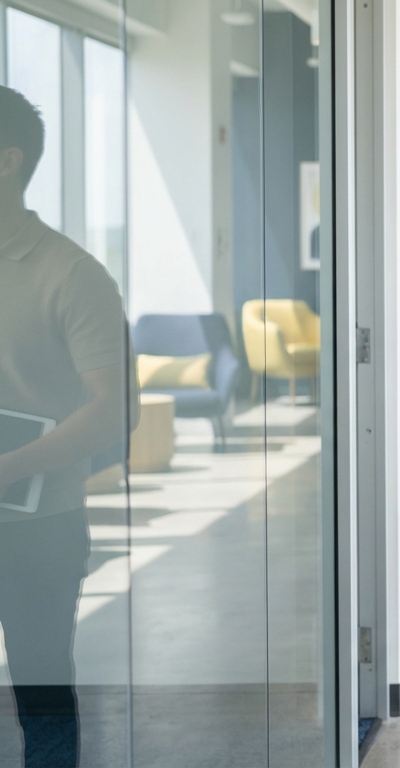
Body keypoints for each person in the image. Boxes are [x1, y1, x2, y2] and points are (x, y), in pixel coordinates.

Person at [0, 86, 136, 767]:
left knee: (41, 699)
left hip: (37, 529)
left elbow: (114, 409)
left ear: (7, 160)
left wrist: (11, 467)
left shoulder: (74, 274)